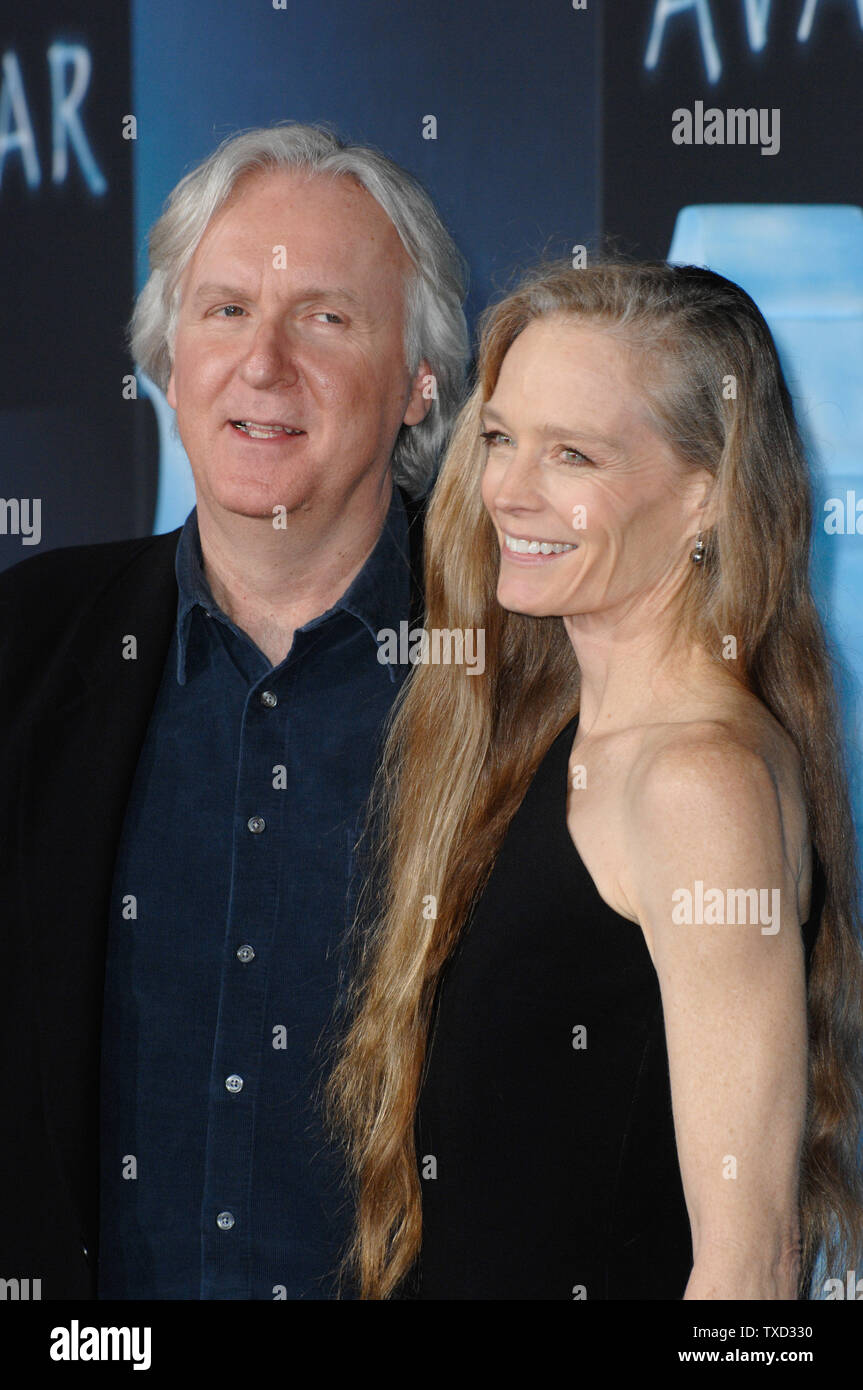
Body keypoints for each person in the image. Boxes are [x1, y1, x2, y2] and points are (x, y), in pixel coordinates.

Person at [328, 261, 863, 1300]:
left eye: (572, 454)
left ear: (703, 495)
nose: (508, 491)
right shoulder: (562, 733)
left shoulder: (697, 782)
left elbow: (748, 1267)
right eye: (499, 437)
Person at [0, 122, 468, 1300]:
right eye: (222, 312)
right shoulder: (29, 645)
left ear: (420, 382)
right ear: (166, 356)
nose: (262, 365)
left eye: (324, 317)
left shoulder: (521, 686)